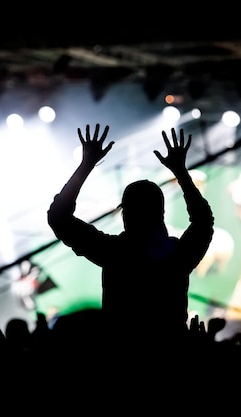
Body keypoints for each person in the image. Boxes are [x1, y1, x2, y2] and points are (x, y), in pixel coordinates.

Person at [47, 124, 214, 350]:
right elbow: (203, 222)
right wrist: (181, 172)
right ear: (161, 214)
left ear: (126, 214)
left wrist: (86, 165)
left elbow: (59, 217)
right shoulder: (177, 257)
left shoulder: (114, 252)